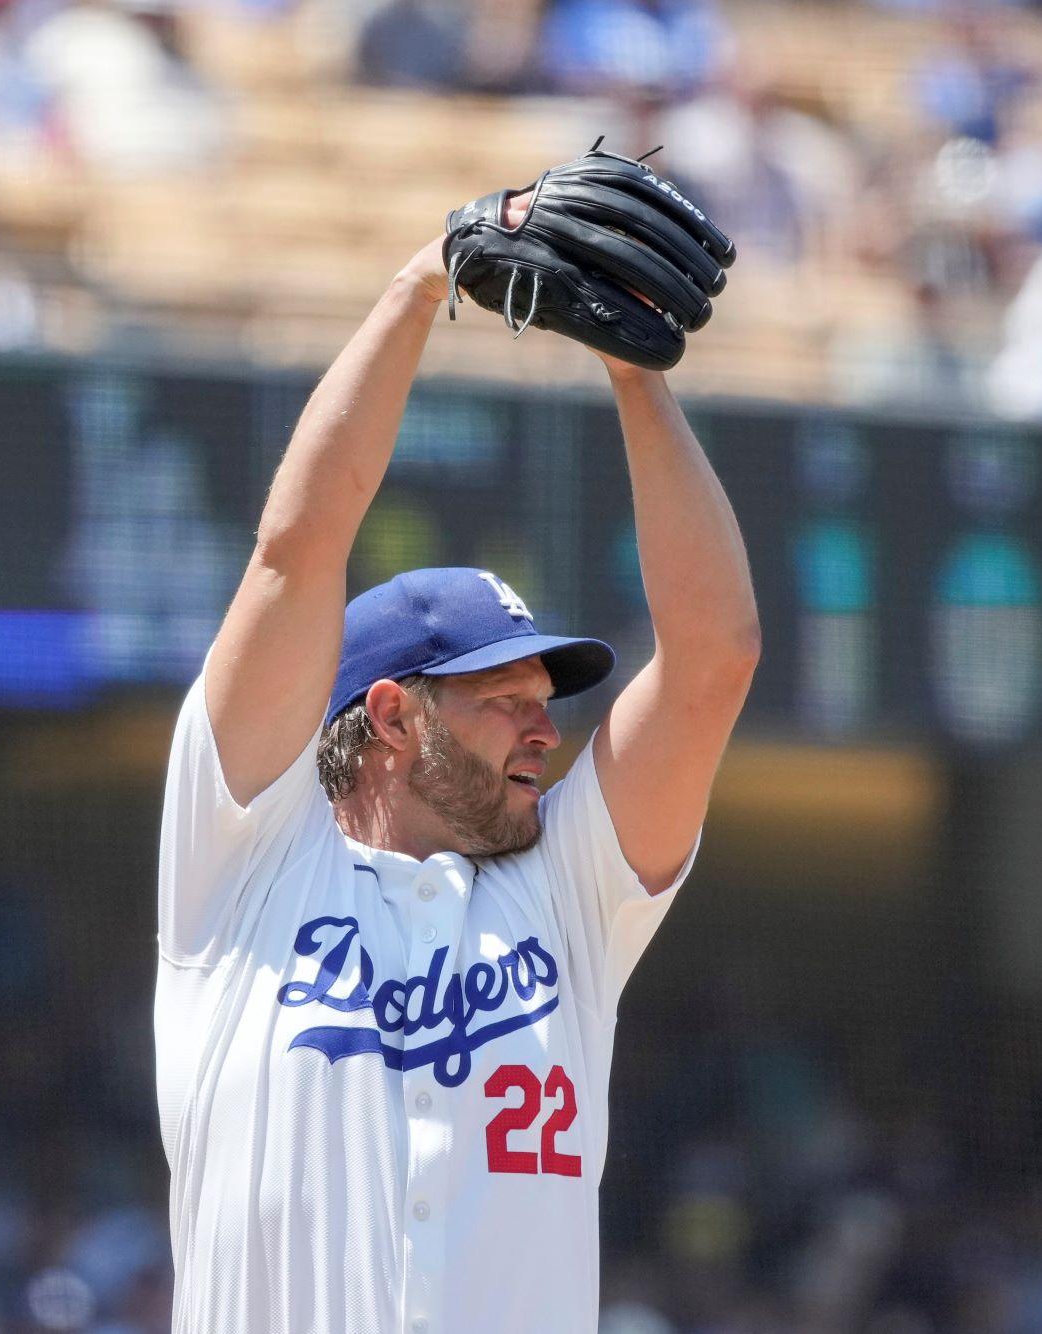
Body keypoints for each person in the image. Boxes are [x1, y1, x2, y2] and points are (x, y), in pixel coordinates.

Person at [153, 195, 760, 1331]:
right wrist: (421, 282)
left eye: (546, 701)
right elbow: (296, 550)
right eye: (500, 700)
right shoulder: (242, 863)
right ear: (388, 715)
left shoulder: (568, 897)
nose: (544, 728)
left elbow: (713, 654)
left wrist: (633, 371)